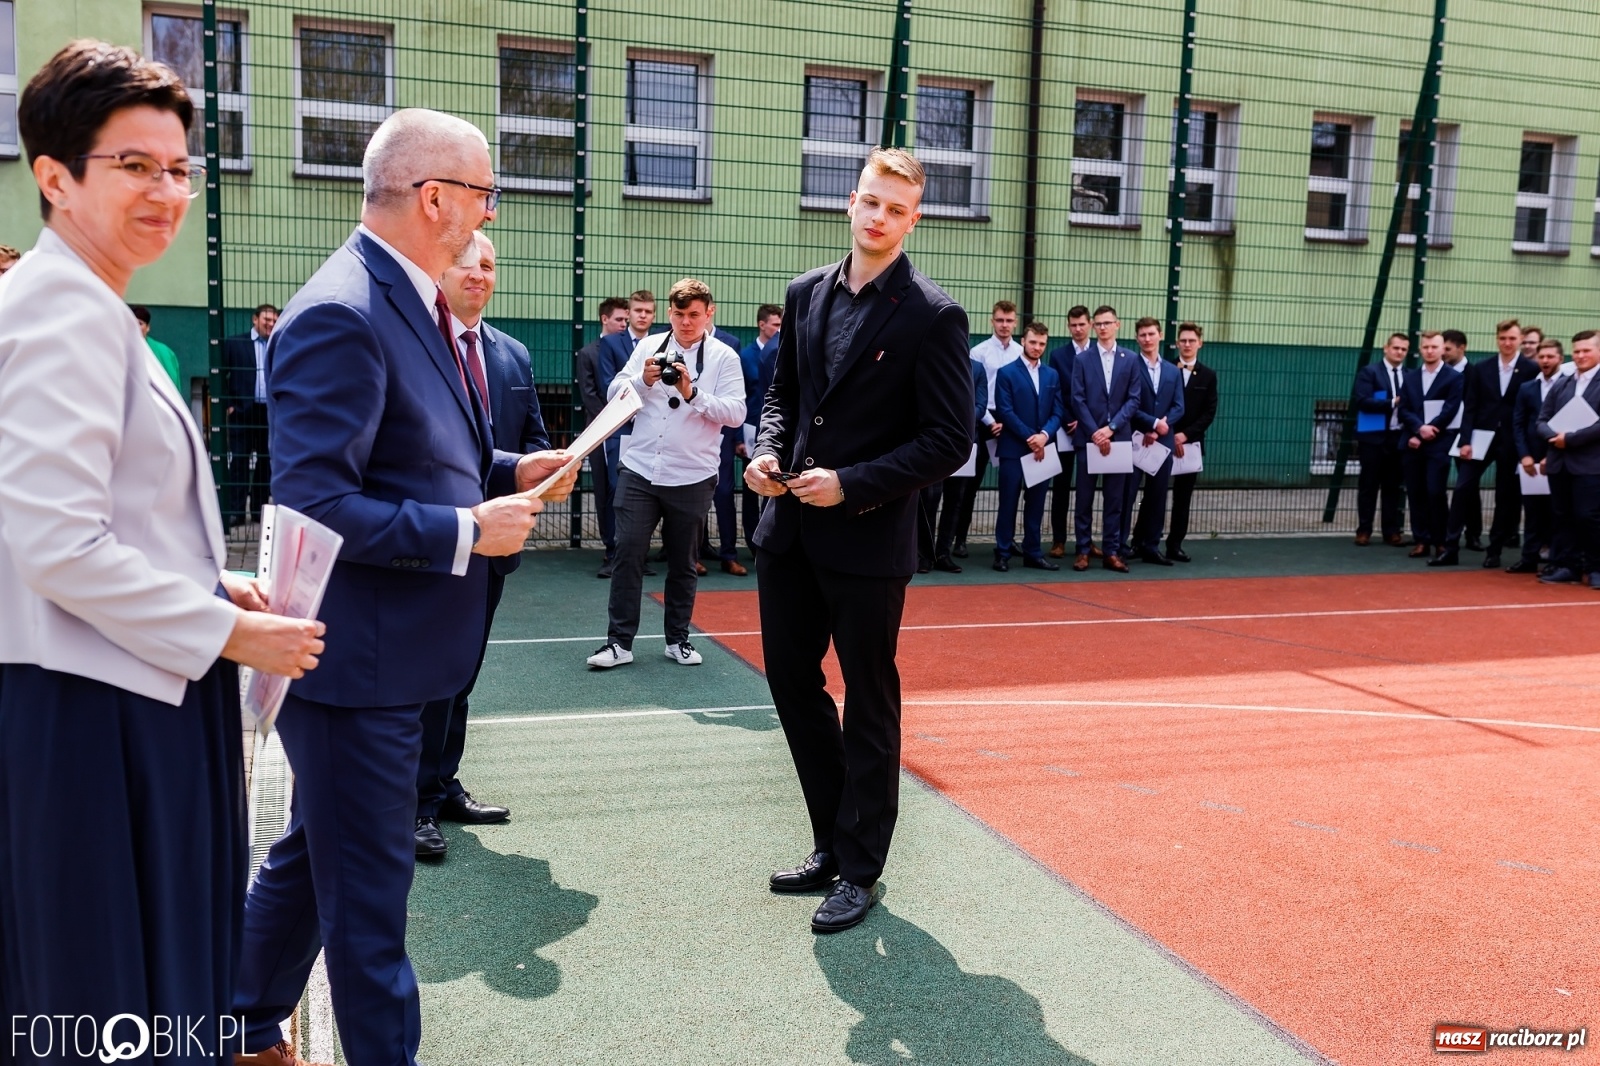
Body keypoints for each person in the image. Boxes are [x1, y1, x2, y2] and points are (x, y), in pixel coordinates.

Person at [0, 40, 323, 1066]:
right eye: (133, 165)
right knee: (109, 1003)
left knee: (130, 990)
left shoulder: (89, 309)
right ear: (55, 177)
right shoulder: (61, 315)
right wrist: (228, 628)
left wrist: (205, 583)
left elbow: (93, 522)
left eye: (179, 166)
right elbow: (57, 544)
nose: (168, 190)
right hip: (95, 713)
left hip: (119, 690)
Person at [232, 108, 575, 1066]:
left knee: (314, 861)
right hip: (360, 669)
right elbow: (315, 503)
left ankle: (243, 1016)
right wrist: (467, 529)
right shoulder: (346, 310)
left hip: (392, 661)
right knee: (370, 917)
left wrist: (507, 469)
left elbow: (421, 455)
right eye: (483, 191)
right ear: (435, 200)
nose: (488, 212)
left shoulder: (409, 300)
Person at [746, 147, 969, 934]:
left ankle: (861, 865)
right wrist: (764, 450)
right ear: (850, 202)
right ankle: (830, 840)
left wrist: (853, 482)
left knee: (869, 702)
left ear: (914, 220)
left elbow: (948, 440)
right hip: (789, 533)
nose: (879, 217)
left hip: (869, 541)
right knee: (792, 685)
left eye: (896, 208)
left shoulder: (933, 316)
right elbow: (784, 394)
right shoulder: (806, 292)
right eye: (870, 202)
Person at [414, 230, 550, 861]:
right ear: (440, 269)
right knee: (431, 675)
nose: (478, 273)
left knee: (463, 671)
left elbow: (530, 438)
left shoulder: (513, 356)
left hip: (495, 545)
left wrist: (550, 465)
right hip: (437, 538)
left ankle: (442, 784)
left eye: (489, 263)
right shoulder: (421, 346)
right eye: (466, 262)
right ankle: (413, 802)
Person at [586, 278, 746, 669]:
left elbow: (736, 413)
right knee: (627, 553)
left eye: (694, 315)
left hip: (692, 474)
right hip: (640, 469)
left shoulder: (725, 357)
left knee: (683, 561)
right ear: (669, 313)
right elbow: (614, 394)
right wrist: (643, 379)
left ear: (710, 313)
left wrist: (693, 393)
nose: (686, 322)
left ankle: (678, 640)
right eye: (679, 314)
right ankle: (618, 644)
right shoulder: (646, 347)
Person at [1434, 319, 1538, 568]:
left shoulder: (1530, 369)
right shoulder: (1482, 368)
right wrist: (1466, 440)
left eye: (1512, 338)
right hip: (1480, 438)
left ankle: (1494, 550)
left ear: (1520, 340)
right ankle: (1450, 548)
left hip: (1512, 441)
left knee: (1505, 496)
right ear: (1497, 339)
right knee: (1462, 489)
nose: (1507, 343)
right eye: (1503, 338)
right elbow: (1470, 407)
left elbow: (1531, 410)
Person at [1070, 305, 1141, 572]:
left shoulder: (1130, 359)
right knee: (1084, 499)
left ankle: (1111, 551)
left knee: (1115, 500)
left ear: (1117, 325)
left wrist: (1110, 428)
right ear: (1093, 326)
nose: (1102, 327)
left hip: (1118, 438)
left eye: (1107, 323)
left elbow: (1134, 399)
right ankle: (1083, 550)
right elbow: (1077, 398)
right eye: (1098, 323)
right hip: (1089, 439)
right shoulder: (1083, 359)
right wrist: (1095, 432)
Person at [595, 290, 660, 578]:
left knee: (646, 492)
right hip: (620, 428)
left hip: (653, 430)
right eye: (638, 311)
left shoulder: (664, 343)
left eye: (648, 311)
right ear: (629, 313)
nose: (643, 315)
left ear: (654, 315)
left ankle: (639, 555)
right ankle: (612, 553)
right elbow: (608, 384)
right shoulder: (610, 343)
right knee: (616, 490)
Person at [992, 320, 1065, 572]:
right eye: (1033, 342)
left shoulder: (1051, 374)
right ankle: (1002, 552)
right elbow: (1005, 410)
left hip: (1042, 450)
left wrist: (1044, 435)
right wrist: (1031, 438)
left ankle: (1033, 552)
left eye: (1042, 343)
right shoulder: (1006, 372)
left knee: (1037, 503)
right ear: (1023, 341)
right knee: (1008, 502)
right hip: (1014, 448)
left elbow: (1058, 411)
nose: (1037, 347)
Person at [951, 300, 1020, 557]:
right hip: (984, 422)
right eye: (1000, 320)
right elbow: (974, 393)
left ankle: (1009, 539)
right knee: (968, 486)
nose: (1004, 325)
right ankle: (960, 539)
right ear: (992, 321)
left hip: (1012, 426)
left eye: (1009, 320)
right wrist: (991, 422)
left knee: (1012, 486)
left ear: (1015, 322)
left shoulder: (1020, 352)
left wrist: (1009, 423)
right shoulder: (978, 353)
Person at [1536, 331, 1600, 587]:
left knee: (1589, 516)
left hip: (1591, 463)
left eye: (1586, 350)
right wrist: (1553, 436)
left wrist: (1570, 439)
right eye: (1577, 351)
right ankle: (1567, 566)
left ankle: (1596, 568)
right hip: (1559, 461)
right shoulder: (1562, 383)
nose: (1581, 355)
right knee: (1562, 515)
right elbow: (1542, 419)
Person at [1123, 317, 1184, 566]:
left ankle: (1151, 545)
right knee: (1127, 494)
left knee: (1157, 495)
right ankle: (1119, 545)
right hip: (1136, 439)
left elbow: (1179, 405)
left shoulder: (1172, 370)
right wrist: (1150, 424)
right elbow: (1127, 403)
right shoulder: (1129, 366)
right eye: (1142, 335)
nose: (1147, 339)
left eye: (1151, 334)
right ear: (1137, 338)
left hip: (1162, 442)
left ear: (1160, 335)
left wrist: (1160, 427)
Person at [1399, 332, 1463, 560]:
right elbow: (1404, 408)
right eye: (1425, 346)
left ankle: (1441, 541)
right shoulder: (1410, 377)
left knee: (1435, 492)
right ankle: (1421, 540)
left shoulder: (1453, 377)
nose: (1429, 350)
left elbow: (1451, 408)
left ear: (1442, 348)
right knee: (1415, 493)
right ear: (1420, 349)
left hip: (1439, 442)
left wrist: (1430, 430)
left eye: (1434, 346)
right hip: (1413, 443)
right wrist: (1419, 429)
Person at [576, 296, 628, 571]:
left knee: (627, 488)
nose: (623, 324)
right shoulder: (588, 353)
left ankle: (628, 550)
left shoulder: (632, 346)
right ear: (604, 319)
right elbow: (589, 394)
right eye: (619, 319)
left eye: (625, 319)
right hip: (601, 429)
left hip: (628, 429)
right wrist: (613, 419)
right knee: (604, 488)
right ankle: (610, 548)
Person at [1508, 338, 1565, 574]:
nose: (1545, 361)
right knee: (1532, 512)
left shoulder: (1568, 386)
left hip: (1559, 459)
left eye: (1550, 357)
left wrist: (1551, 456)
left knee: (1557, 512)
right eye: (1542, 357)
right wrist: (1524, 456)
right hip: (1530, 462)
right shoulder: (1527, 387)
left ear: (1560, 359)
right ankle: (1529, 558)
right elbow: (1518, 424)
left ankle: (1555, 561)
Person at [926, 355, 986, 573]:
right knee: (930, 499)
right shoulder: (933, 361)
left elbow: (981, 405)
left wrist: (960, 419)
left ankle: (943, 553)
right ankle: (925, 554)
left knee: (955, 500)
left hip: (964, 443)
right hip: (934, 442)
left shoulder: (978, 368)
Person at [222, 302, 279, 528]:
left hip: (267, 413)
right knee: (239, 461)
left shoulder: (278, 344)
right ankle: (236, 511)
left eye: (274, 321)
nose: (271, 325)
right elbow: (220, 374)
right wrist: (228, 405)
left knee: (265, 463)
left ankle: (258, 511)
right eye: (267, 320)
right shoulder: (235, 344)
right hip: (242, 410)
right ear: (255, 320)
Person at [1166, 321, 1218, 562]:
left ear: (1200, 343)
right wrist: (1171, 433)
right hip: (1163, 440)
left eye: (1191, 340)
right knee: (1152, 494)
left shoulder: (1208, 375)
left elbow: (1209, 412)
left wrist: (1185, 435)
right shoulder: (1166, 369)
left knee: (1183, 497)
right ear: (1177, 343)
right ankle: (1142, 542)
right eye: (1183, 340)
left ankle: (1175, 544)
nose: (1187, 344)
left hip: (1190, 445)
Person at [1352, 333, 1410, 547]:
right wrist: (1392, 403)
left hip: (1398, 436)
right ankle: (1364, 530)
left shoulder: (1409, 374)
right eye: (1396, 348)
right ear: (1386, 348)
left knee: (1392, 486)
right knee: (1368, 485)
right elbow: (1363, 400)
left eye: (1404, 349)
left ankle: (1391, 531)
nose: (1399, 352)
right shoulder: (1370, 372)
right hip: (1373, 438)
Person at [1048, 305, 1091, 558]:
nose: (1077, 329)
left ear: (1090, 325)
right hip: (1065, 430)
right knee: (1061, 487)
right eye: (1073, 325)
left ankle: (1086, 543)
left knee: (1087, 488)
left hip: (1090, 431)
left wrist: (1086, 423)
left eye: (1081, 324)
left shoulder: (1099, 354)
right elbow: (1057, 392)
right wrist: (1067, 421)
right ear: (1068, 327)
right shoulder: (1058, 355)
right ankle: (1059, 540)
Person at [740, 304, 783, 556]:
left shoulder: (775, 349)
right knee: (751, 486)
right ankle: (753, 540)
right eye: (774, 325)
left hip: (768, 427)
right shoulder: (751, 354)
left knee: (771, 485)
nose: (777, 330)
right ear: (762, 324)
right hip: (752, 426)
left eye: (780, 325)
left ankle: (764, 541)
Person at [1438, 328, 1480, 549]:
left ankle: (1473, 533)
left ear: (1461, 348)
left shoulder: (1474, 373)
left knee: (1467, 485)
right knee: (1436, 482)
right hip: (1440, 432)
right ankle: (1442, 533)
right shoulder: (1438, 372)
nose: (1442, 353)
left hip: (1464, 434)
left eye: (1447, 348)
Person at [129, 301, 182, 390]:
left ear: (148, 327)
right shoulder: (123, 350)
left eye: (140, 323)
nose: (135, 327)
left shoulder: (165, 353)